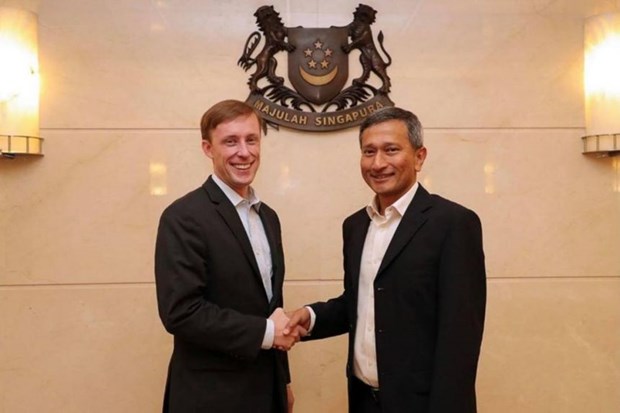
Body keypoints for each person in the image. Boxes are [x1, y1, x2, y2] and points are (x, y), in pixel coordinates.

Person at [285, 107, 486, 413]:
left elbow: (460, 336)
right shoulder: (355, 226)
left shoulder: (453, 224)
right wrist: (311, 317)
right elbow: (361, 301)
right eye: (369, 152)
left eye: (391, 150)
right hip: (364, 400)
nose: (378, 163)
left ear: (419, 157)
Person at [155, 100, 301, 413]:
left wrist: (283, 380)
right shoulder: (183, 217)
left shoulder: (268, 217)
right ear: (208, 148)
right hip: (210, 398)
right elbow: (181, 312)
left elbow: (270, 306)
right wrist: (266, 333)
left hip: (267, 392)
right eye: (230, 142)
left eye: (251, 140)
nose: (244, 152)